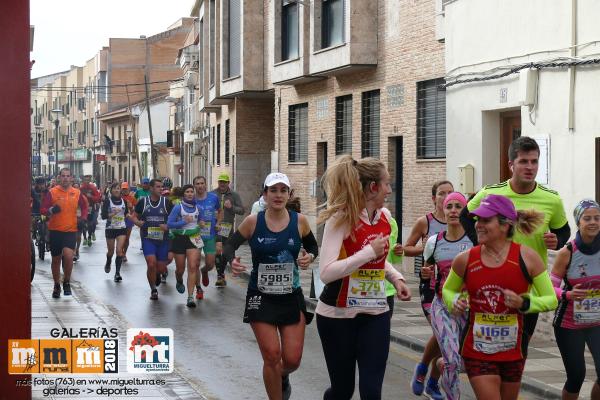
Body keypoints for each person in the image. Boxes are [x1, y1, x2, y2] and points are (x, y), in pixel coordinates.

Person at [443, 194, 557, 400]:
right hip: (477, 350)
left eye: (486, 220)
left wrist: (524, 302)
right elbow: (448, 289)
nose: (478, 225)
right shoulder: (465, 259)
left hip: (513, 351)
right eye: (478, 220)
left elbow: (551, 299)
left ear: (505, 225)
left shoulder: (527, 258)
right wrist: (454, 301)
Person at [316, 155, 411, 400]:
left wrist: (396, 278)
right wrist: (368, 252)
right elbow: (326, 272)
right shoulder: (340, 218)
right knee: (342, 391)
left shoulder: (385, 218)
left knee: (371, 391)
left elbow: (379, 261)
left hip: (375, 311)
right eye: (387, 184)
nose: (390, 190)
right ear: (373, 187)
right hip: (337, 315)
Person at [462, 136, 570, 343]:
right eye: (523, 161)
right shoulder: (491, 192)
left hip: (529, 285)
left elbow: (563, 230)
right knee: (479, 342)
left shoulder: (552, 199)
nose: (530, 167)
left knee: (520, 346)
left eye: (534, 161)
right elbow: (465, 217)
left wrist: (556, 240)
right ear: (511, 165)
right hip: (491, 277)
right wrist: (481, 242)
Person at [227, 172, 318, 400]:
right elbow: (230, 245)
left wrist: (310, 257)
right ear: (265, 194)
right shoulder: (253, 222)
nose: (278, 195)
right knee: (271, 356)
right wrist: (232, 261)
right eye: (273, 190)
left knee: (292, 360)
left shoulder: (299, 221)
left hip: (290, 296)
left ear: (289, 194)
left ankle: (282, 376)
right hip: (261, 296)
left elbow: (313, 246)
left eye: (283, 190)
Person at [422, 192, 474, 400]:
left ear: (464, 211)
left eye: (458, 206)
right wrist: (425, 274)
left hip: (469, 309)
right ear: (443, 210)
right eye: (449, 206)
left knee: (465, 363)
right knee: (452, 360)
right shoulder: (434, 242)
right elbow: (426, 272)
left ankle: (438, 372)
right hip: (442, 306)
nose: (453, 210)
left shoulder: (474, 241)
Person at [405, 180, 454, 398]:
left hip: (455, 289)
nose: (446, 197)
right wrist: (422, 248)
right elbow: (406, 249)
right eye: (442, 194)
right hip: (431, 286)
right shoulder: (425, 222)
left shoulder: (462, 222)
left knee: (446, 337)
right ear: (434, 198)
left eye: (450, 193)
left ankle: (431, 378)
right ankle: (425, 372)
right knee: (441, 333)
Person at [551, 199, 600, 400]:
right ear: (578, 222)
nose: (593, 222)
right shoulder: (567, 252)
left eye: (597, 218)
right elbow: (550, 286)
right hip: (569, 324)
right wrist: (566, 294)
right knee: (576, 376)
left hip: (598, 323)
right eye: (587, 218)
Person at [41, 168, 89, 298]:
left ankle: (66, 281)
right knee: (56, 260)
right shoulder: (52, 192)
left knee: (68, 256)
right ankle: (56, 285)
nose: (65, 178)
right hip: (55, 230)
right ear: (59, 178)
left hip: (70, 230)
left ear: (72, 178)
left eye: (68, 176)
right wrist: (51, 210)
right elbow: (43, 209)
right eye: (63, 176)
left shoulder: (77, 193)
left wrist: (83, 219)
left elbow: (85, 207)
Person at [130, 179, 173, 300]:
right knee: (151, 263)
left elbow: (174, 219)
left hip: (163, 240)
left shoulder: (167, 203)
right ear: (151, 188)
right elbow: (133, 217)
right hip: (148, 238)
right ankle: (153, 289)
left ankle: (158, 274)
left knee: (160, 267)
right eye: (158, 187)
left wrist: (168, 226)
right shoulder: (143, 202)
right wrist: (139, 223)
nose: (161, 189)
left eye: (162, 187)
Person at [167, 184, 204, 307]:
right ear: (183, 194)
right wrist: (184, 221)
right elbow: (169, 224)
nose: (190, 194)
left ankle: (190, 297)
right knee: (180, 269)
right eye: (187, 192)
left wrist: (202, 224)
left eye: (191, 192)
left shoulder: (199, 208)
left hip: (194, 238)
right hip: (179, 239)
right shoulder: (178, 208)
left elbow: (202, 221)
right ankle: (179, 280)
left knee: (193, 267)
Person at [213, 172, 245, 287]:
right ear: (218, 182)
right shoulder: (212, 194)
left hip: (227, 228)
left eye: (224, 182)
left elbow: (242, 210)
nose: (222, 184)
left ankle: (221, 275)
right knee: (217, 251)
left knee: (226, 252)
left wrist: (231, 207)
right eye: (220, 181)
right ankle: (220, 275)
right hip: (215, 227)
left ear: (228, 183)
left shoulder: (234, 195)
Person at [193, 176, 222, 300]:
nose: (200, 186)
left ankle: (204, 271)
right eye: (197, 183)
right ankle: (198, 289)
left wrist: (218, 223)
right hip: (195, 235)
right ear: (194, 186)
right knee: (195, 263)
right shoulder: (191, 199)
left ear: (205, 184)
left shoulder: (213, 198)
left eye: (202, 183)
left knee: (210, 264)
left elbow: (220, 211)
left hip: (210, 235)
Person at [101, 182, 131, 282]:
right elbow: (103, 216)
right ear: (111, 190)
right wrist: (112, 213)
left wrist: (131, 217)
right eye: (115, 188)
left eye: (118, 188)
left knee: (119, 251)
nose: (117, 190)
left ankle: (117, 273)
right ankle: (108, 261)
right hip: (110, 228)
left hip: (121, 228)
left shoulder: (124, 201)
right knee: (111, 251)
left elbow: (126, 213)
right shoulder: (107, 201)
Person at [80, 175, 101, 246]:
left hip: (91, 208)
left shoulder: (93, 188)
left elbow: (98, 198)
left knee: (91, 224)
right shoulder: (81, 188)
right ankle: (85, 238)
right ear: (83, 180)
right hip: (83, 208)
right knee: (83, 224)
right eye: (85, 180)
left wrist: (91, 197)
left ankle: (89, 237)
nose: (86, 181)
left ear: (90, 181)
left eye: (88, 180)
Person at [121, 182, 137, 262]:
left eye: (126, 189)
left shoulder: (132, 198)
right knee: (120, 238)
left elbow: (136, 210)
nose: (124, 190)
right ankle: (120, 252)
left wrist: (131, 208)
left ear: (129, 189)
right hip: (120, 219)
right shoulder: (119, 197)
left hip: (128, 220)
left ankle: (124, 254)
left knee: (126, 238)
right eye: (123, 189)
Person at [72, 182, 88, 262]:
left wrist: (84, 217)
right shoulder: (70, 195)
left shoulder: (82, 197)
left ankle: (77, 249)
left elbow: (85, 208)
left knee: (78, 237)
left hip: (80, 220)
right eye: (74, 187)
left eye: (77, 187)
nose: (76, 189)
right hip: (71, 220)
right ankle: (74, 252)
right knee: (73, 236)